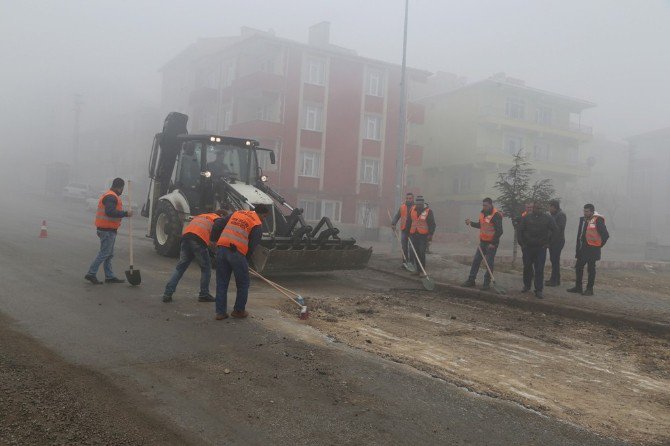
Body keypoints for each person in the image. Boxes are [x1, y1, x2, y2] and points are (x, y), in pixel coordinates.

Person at [210, 204, 271, 320]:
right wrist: (245, 260)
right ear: (262, 214)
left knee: (222, 282)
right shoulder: (257, 224)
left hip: (222, 248)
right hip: (237, 253)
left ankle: (220, 313)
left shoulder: (237, 213)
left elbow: (218, 223)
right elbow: (252, 246)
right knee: (243, 283)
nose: (264, 219)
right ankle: (238, 311)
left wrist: (213, 240)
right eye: (265, 216)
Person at [162, 209, 229, 303]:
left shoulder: (203, 215)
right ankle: (204, 294)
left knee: (180, 268)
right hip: (198, 241)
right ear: (221, 215)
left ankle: (167, 293)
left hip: (186, 238)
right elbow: (213, 241)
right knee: (206, 268)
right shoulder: (217, 219)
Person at [84, 178, 133, 284]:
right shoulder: (111, 197)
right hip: (106, 230)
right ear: (120, 187)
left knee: (109, 254)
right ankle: (91, 273)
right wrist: (125, 213)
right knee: (104, 253)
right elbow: (110, 212)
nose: (122, 190)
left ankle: (109, 276)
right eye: (122, 188)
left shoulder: (110, 195)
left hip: (108, 230)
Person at [517, 201, 558, 299]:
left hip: (541, 248)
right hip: (528, 247)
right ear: (533, 208)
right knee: (527, 267)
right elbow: (520, 231)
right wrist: (522, 244)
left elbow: (555, 230)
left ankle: (539, 290)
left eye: (540, 208)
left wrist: (549, 243)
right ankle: (527, 286)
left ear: (542, 209)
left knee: (539, 269)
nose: (537, 210)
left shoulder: (548, 218)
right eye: (536, 208)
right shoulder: (526, 218)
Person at [567, 204, 609, 296]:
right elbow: (580, 235)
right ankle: (578, 287)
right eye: (584, 211)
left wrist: (599, 245)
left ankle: (589, 289)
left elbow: (605, 235)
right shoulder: (583, 219)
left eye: (587, 211)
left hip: (592, 250)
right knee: (578, 267)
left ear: (592, 211)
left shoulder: (598, 220)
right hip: (582, 249)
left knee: (591, 270)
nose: (585, 213)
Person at [461, 198, 503, 290]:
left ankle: (486, 283)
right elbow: (480, 225)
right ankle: (471, 280)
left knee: (489, 263)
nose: (484, 207)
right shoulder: (482, 213)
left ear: (491, 205)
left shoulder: (496, 215)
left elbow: (499, 231)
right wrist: (470, 223)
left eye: (486, 205)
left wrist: (493, 243)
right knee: (476, 260)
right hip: (483, 242)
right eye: (483, 205)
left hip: (491, 244)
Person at [408, 196, 436, 277]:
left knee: (421, 252)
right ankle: (417, 270)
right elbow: (409, 222)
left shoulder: (428, 211)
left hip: (423, 236)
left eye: (420, 204)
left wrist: (430, 234)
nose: (418, 206)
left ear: (423, 204)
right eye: (417, 204)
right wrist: (407, 233)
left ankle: (422, 270)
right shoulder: (412, 210)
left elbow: (432, 224)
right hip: (414, 235)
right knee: (416, 253)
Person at [545, 199, 567, 287]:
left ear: (554, 207)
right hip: (553, 241)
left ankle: (554, 280)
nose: (548, 209)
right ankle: (555, 279)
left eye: (549, 207)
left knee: (555, 260)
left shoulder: (561, 215)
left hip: (557, 241)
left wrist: (551, 241)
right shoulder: (554, 215)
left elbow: (558, 230)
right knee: (554, 260)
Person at [391, 192, 414, 267]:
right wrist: (393, 223)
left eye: (410, 198)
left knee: (411, 248)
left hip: (412, 230)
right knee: (404, 247)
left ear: (412, 199)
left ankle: (411, 263)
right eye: (407, 198)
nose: (408, 200)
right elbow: (397, 216)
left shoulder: (415, 207)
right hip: (404, 230)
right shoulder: (402, 207)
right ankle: (405, 262)